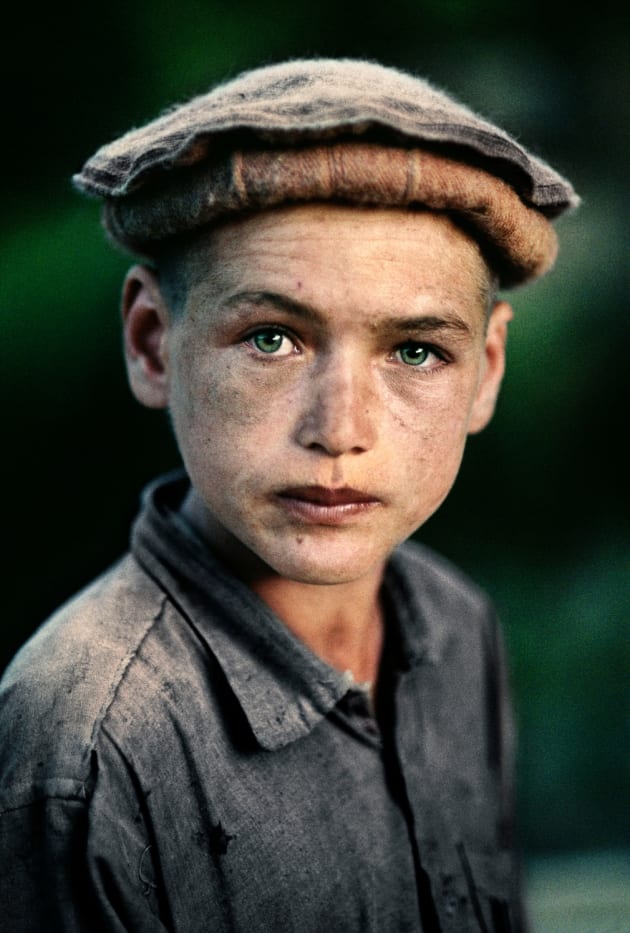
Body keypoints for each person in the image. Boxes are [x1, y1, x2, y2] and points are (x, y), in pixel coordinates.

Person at [0, 59, 578, 932]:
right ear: (154, 344)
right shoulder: (84, 739)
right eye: (273, 338)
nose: (340, 428)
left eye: (415, 350)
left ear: (486, 370)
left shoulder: (457, 626)